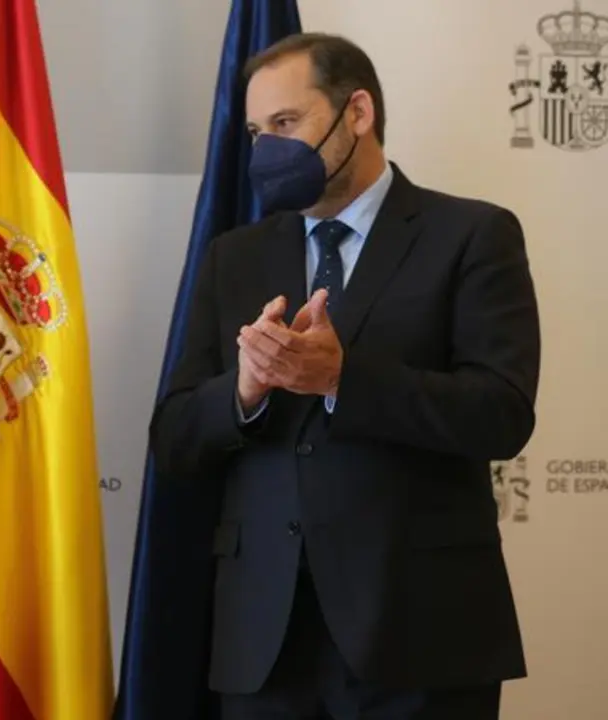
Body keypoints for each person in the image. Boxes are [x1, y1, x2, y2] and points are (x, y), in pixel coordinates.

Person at [150, 33, 540, 720]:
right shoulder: (234, 257)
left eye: (285, 122)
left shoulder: (472, 234)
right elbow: (175, 436)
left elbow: (501, 413)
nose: (266, 149)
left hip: (420, 635)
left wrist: (343, 379)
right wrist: (244, 391)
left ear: (357, 112)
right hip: (264, 644)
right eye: (255, 131)